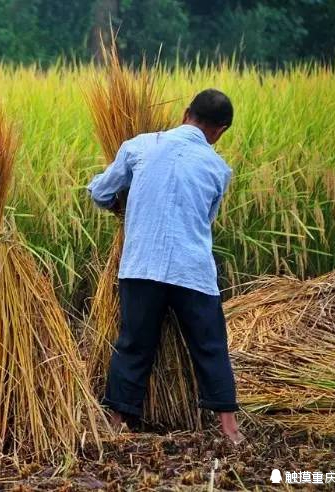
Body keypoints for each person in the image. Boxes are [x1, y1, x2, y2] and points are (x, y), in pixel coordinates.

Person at [86, 89, 244, 444]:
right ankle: (230, 429)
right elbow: (207, 218)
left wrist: (122, 203)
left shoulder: (139, 146)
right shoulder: (219, 169)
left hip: (142, 266)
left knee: (134, 344)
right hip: (193, 274)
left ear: (186, 113)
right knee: (211, 346)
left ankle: (116, 421)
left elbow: (99, 192)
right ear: (220, 131)